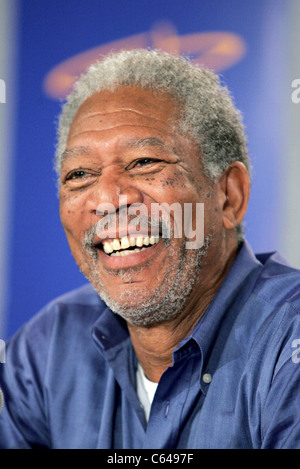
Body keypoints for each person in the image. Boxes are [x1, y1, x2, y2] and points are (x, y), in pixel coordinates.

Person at [0, 49, 300, 449]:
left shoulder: (289, 342)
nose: (108, 198)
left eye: (144, 161)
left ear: (229, 196)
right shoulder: (45, 351)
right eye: (80, 174)